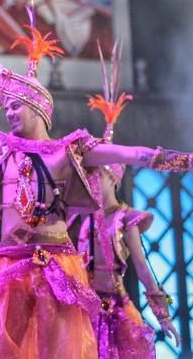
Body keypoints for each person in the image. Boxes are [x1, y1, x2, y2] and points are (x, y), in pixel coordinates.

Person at [0, 16, 193, 358]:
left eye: (16, 106)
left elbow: (133, 154)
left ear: (37, 109)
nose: (10, 114)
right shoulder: (4, 147)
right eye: (7, 108)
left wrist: (184, 160)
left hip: (58, 264)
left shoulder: (71, 151)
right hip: (10, 264)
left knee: (59, 350)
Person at [73, 42, 180, 357]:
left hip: (116, 309)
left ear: (113, 179)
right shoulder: (80, 215)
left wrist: (163, 316)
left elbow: (144, 270)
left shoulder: (125, 218)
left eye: (97, 178)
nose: (91, 184)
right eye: (88, 177)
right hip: (83, 312)